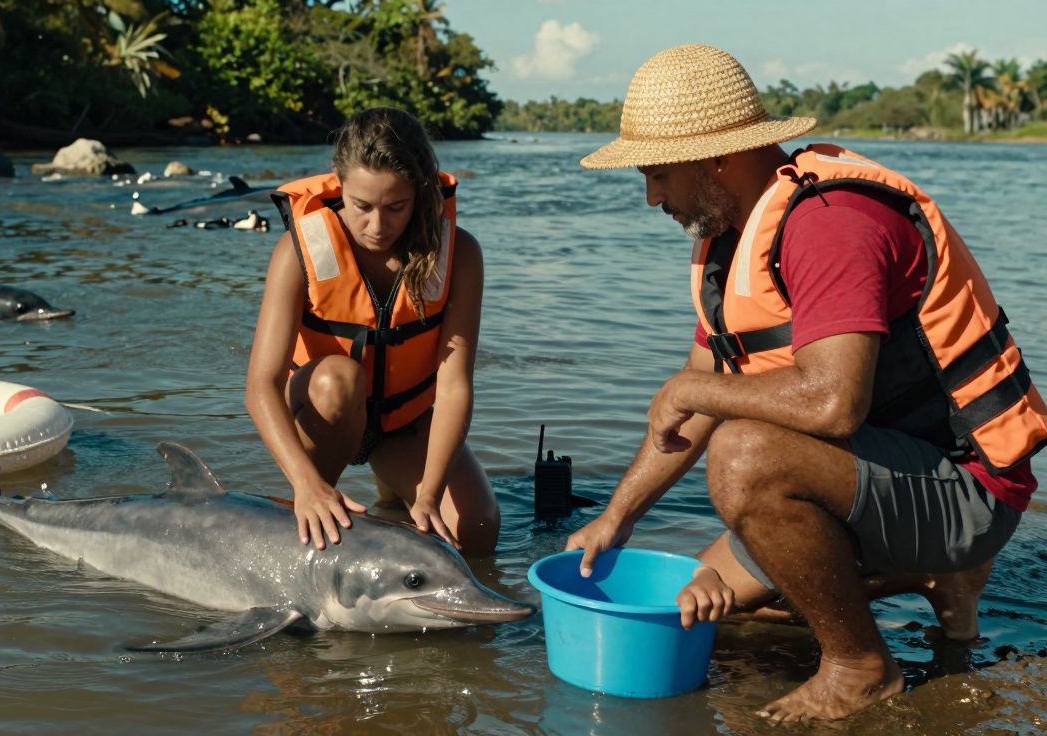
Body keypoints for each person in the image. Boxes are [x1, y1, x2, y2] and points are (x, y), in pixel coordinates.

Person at [567, 44, 1046, 722]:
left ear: (718, 160)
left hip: (967, 487)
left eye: (657, 174)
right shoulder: (736, 235)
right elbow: (702, 386)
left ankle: (861, 667)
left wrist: (690, 392)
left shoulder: (829, 224)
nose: (651, 198)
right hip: (888, 471)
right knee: (705, 603)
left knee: (744, 458)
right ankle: (941, 578)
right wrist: (613, 521)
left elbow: (831, 403)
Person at [246, 107, 499, 557]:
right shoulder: (296, 251)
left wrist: (428, 494)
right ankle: (312, 498)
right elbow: (260, 386)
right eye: (361, 206)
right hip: (328, 408)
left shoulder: (461, 256)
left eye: (395, 207)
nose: (377, 226)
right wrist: (306, 485)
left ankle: (393, 497)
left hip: (402, 422)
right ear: (339, 184)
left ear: (419, 196)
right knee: (339, 379)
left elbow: (455, 385)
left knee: (475, 531)